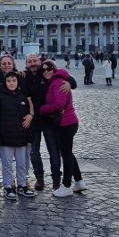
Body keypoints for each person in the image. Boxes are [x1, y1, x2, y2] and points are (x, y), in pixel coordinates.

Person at [24, 53, 76, 191]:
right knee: (34, 152)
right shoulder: (22, 76)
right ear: (26, 64)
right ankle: (39, 178)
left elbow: (68, 78)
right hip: (33, 121)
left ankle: (56, 180)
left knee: (54, 151)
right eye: (30, 62)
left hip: (49, 120)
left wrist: (70, 82)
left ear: (39, 62)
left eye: (34, 61)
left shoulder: (46, 74)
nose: (32, 63)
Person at [39, 60, 87, 198]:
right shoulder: (59, 81)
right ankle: (78, 181)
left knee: (65, 154)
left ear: (54, 70)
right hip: (68, 122)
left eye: (49, 69)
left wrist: (42, 109)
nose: (46, 71)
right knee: (68, 152)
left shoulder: (57, 82)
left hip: (66, 123)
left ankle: (66, 186)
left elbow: (59, 104)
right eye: (44, 70)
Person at [0, 71, 36, 200]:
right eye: (8, 80)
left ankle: (22, 185)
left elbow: (28, 120)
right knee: (7, 164)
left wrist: (29, 137)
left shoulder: (22, 98)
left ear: (18, 82)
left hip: (21, 138)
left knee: (22, 163)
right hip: (5, 138)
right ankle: (8, 186)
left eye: (14, 80)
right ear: (5, 83)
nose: (11, 83)